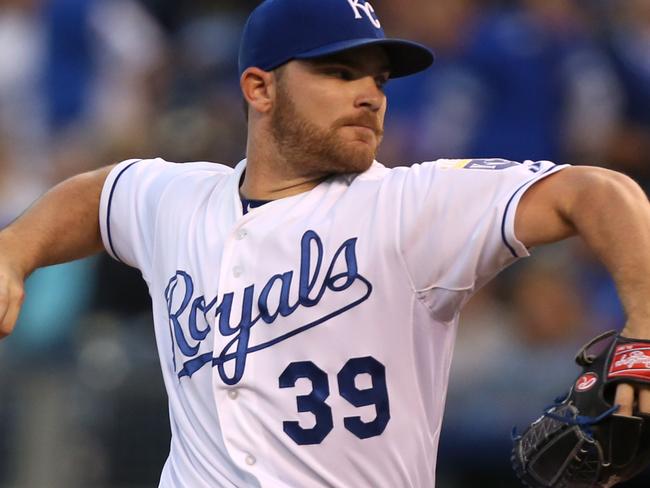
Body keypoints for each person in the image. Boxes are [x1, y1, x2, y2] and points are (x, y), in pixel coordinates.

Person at [1, 0, 650, 486]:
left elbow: (598, 193)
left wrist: (645, 330)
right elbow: (97, 195)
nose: (369, 95)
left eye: (379, 80)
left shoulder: (411, 204)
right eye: (340, 72)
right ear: (259, 88)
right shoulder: (175, 198)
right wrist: (14, 251)